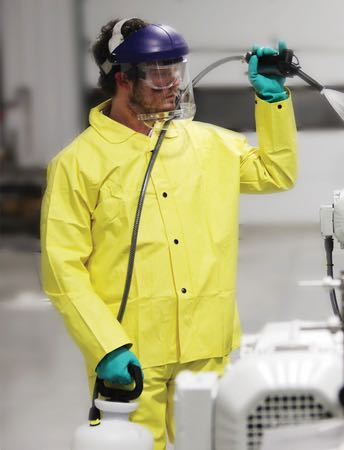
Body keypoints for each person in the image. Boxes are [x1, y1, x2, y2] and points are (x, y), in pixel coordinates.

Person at [39, 17, 297, 449]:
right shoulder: (77, 164)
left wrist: (274, 101)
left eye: (176, 69)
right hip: (132, 352)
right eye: (160, 73)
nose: (173, 84)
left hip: (207, 344)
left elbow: (277, 173)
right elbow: (62, 269)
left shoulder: (210, 144)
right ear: (123, 78)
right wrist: (106, 347)